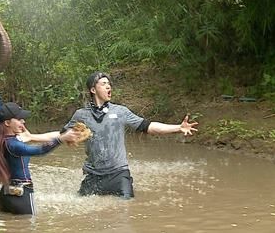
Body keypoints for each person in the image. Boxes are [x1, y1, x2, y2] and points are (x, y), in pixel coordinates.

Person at [64, 71, 198, 199]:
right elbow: (62, 136)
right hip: (93, 175)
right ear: (93, 90)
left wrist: (178, 128)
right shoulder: (81, 115)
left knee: (127, 209)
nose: (108, 86)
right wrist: (71, 137)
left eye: (109, 84)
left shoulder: (121, 112)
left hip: (119, 174)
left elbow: (148, 126)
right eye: (103, 83)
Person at [0, 68, 80, 215]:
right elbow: (40, 150)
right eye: (19, 118)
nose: (23, 121)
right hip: (22, 196)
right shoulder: (14, 145)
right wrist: (61, 139)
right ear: (8, 123)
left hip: (4, 195)